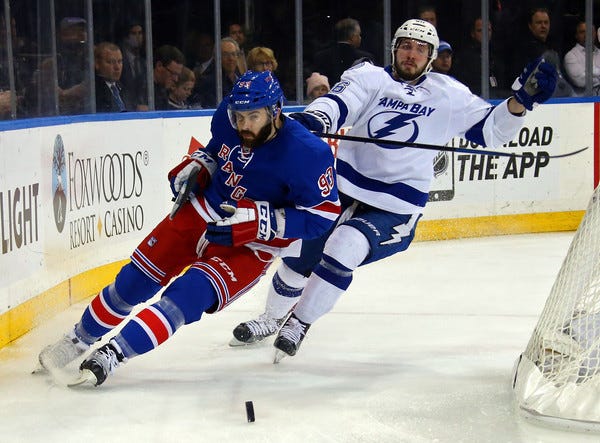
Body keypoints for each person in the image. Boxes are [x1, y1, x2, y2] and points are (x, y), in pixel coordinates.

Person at [228, 19, 557, 360]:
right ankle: (271, 317)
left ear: (430, 57)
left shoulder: (448, 94)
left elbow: (492, 131)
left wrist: (521, 101)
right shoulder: (369, 76)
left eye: (420, 49)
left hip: (395, 206)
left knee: (345, 245)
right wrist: (314, 121)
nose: (411, 54)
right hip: (342, 189)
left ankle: (299, 322)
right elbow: (341, 103)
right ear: (394, 48)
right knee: (299, 252)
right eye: (405, 45)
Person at [37, 70, 340, 386]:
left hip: (255, 243)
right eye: (239, 116)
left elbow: (323, 216)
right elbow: (215, 149)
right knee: (132, 282)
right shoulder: (227, 115)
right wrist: (201, 164)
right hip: (203, 209)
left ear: (276, 111)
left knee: (187, 296)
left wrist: (263, 220)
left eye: (253, 116)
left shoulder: (308, 154)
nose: (244, 125)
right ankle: (77, 340)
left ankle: (114, 353)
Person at [511, 7, 572, 97]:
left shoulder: (554, 46)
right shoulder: (523, 49)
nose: (543, 26)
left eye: (546, 22)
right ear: (530, 26)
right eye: (539, 23)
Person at [452, 17, 507, 97]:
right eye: (480, 30)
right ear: (472, 33)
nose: (485, 34)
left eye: (488, 30)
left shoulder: (498, 54)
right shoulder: (464, 57)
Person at [312, 18, 373, 84]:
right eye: (359, 35)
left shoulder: (321, 57)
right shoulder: (365, 58)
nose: (360, 38)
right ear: (353, 37)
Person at [193, 37, 240, 108]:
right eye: (225, 54)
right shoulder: (208, 82)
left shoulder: (241, 79)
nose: (231, 58)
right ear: (216, 57)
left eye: (233, 54)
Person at [563, 20, 600, 95]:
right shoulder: (571, 56)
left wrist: (588, 73)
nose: (587, 34)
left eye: (590, 31)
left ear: (595, 34)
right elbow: (580, 81)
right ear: (576, 35)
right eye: (582, 32)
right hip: (582, 103)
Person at [119, 20, 148, 111]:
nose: (138, 37)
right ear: (126, 37)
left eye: (140, 33)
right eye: (133, 33)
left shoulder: (144, 62)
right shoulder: (119, 60)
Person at [94, 42, 127, 113]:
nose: (117, 67)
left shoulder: (125, 88)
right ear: (97, 64)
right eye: (111, 62)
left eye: (120, 61)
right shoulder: (93, 91)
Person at [152, 44, 185, 110]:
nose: (176, 79)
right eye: (173, 73)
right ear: (159, 66)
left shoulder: (164, 91)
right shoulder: (140, 89)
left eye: (178, 75)